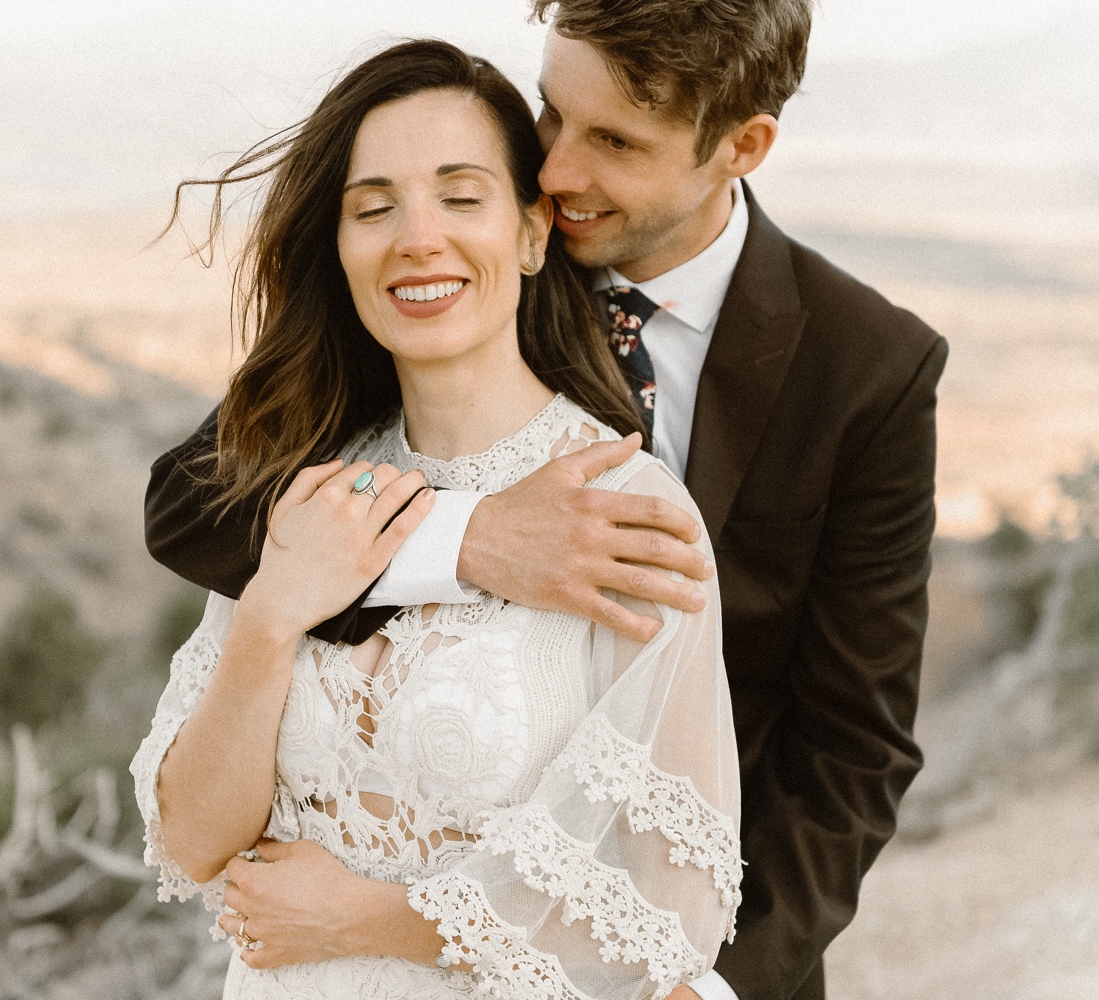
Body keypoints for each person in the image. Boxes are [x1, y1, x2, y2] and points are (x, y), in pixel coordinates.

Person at [145, 2, 948, 999]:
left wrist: (702, 979)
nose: (557, 170)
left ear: (741, 146)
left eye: (611, 139)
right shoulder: (438, 282)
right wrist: (466, 533)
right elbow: (189, 505)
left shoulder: (865, 368)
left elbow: (851, 745)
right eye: (551, 112)